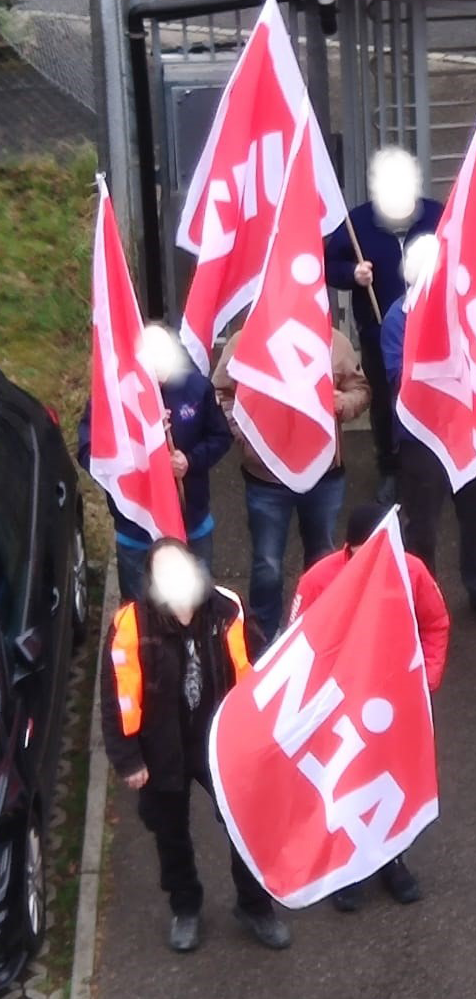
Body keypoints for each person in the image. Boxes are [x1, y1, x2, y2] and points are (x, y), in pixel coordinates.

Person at [101, 540, 290, 953]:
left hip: (221, 741)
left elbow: (260, 666)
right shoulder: (131, 626)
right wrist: (128, 759)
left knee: (243, 824)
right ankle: (185, 907)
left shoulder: (227, 610)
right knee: (170, 833)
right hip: (161, 749)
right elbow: (117, 697)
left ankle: (255, 906)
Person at [287, 502, 449, 910]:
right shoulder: (319, 579)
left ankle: (392, 859)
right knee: (342, 779)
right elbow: (297, 644)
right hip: (338, 703)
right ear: (349, 548)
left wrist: (425, 681)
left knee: (393, 779)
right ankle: (346, 867)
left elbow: (434, 623)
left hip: (394, 697)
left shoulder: (411, 571)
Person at [380, 236, 476, 630]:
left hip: (468, 434)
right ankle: (424, 601)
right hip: (422, 441)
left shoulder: (464, 315)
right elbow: (401, 382)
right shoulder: (398, 319)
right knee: (422, 526)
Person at [212, 327, 370, 640]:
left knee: (322, 558)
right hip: (266, 476)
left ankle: (318, 634)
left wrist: (343, 403)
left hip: (323, 474)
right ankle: (264, 639)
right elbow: (221, 393)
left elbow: (361, 390)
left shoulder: (334, 342)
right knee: (267, 565)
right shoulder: (244, 342)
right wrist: (244, 432)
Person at [77, 323, 232, 601]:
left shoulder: (197, 388)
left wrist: (190, 461)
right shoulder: (113, 396)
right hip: (136, 527)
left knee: (199, 603)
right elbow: (89, 450)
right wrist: (127, 464)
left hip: (191, 523)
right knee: (140, 609)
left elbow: (220, 437)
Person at [324, 147, 444, 503]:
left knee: (439, 397)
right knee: (384, 402)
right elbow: (329, 264)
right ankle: (390, 469)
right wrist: (352, 274)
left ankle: (446, 465)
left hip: (433, 331)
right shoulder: (356, 223)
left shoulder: (438, 216)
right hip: (379, 330)